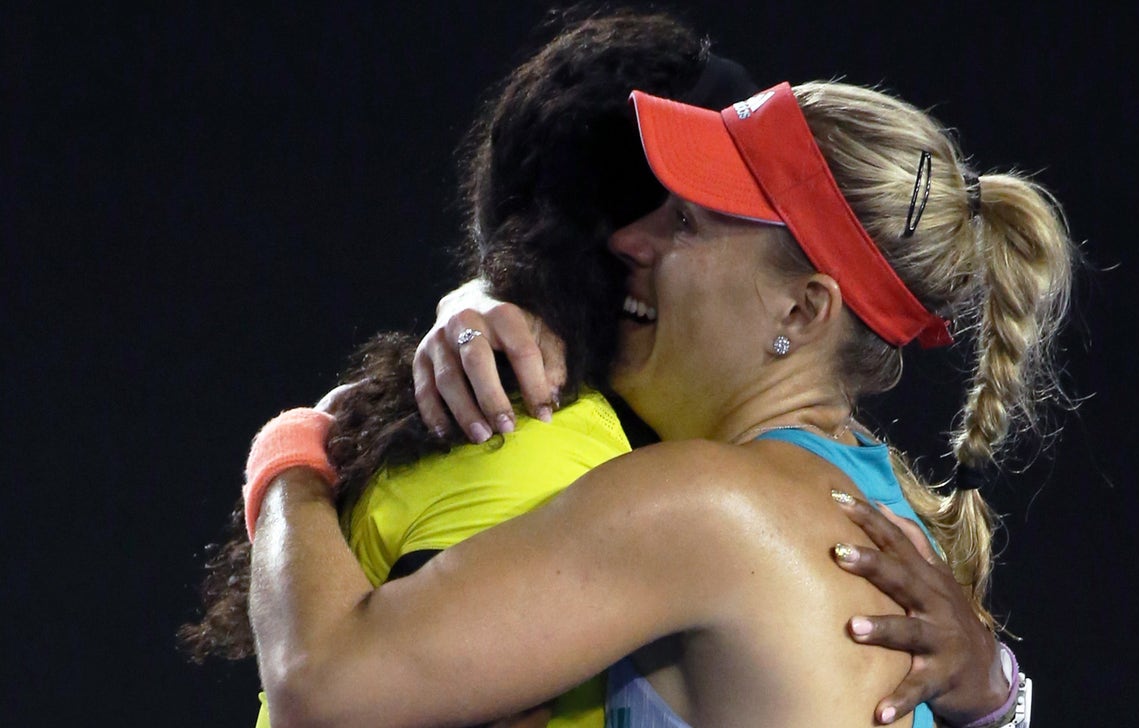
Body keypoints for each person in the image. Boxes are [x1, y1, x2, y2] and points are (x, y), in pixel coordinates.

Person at [181, 12, 1012, 728]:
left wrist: (299, 448)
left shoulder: (700, 505)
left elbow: (319, 688)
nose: (627, 242)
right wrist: (1000, 702)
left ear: (802, 311)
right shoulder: (896, 520)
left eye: (686, 223)